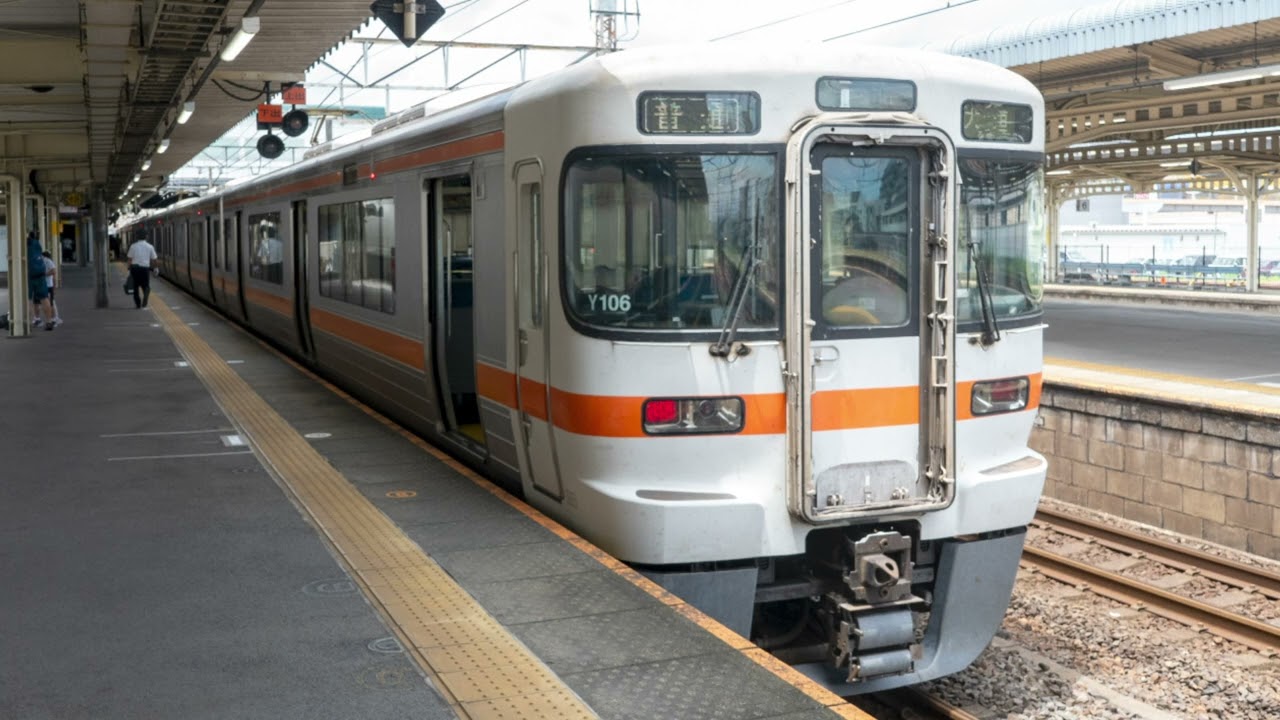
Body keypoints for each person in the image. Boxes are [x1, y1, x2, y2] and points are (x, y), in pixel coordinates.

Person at [26, 232, 55, 331]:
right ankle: (49, 321)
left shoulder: (25, 245)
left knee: (28, 299)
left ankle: (28, 323)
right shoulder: (37, 244)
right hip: (41, 275)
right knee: (44, 298)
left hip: (30, 275)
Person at [126, 230, 158, 309]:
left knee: (135, 287)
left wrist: (128, 269)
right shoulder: (150, 246)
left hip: (135, 269)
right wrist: (156, 268)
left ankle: (138, 304)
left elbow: (129, 259)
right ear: (146, 237)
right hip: (145, 269)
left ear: (137, 237)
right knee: (145, 286)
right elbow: (154, 259)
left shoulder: (133, 246)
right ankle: (146, 296)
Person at [42, 251, 62, 327]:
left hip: (46, 285)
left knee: (50, 302)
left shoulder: (45, 261)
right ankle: (54, 318)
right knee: (51, 302)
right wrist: (54, 286)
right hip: (48, 285)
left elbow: (53, 272)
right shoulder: (48, 261)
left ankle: (54, 318)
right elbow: (54, 272)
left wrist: (44, 275)